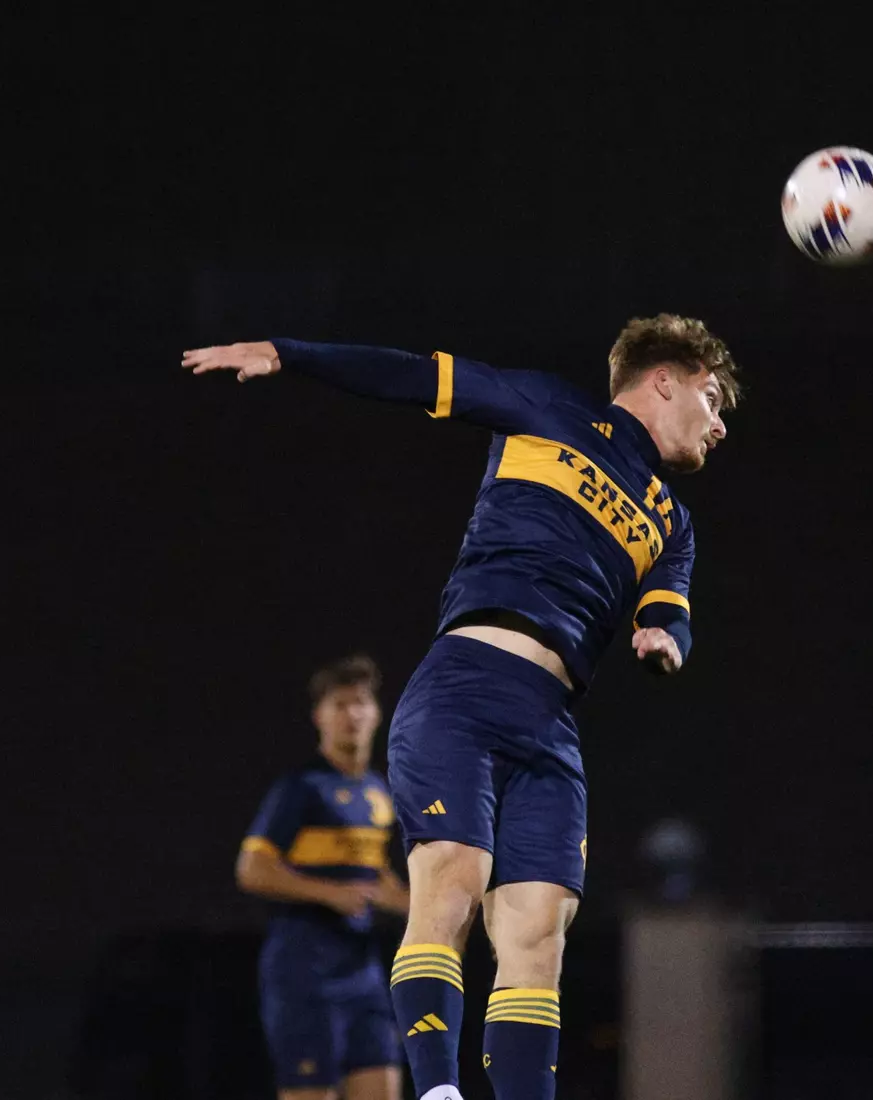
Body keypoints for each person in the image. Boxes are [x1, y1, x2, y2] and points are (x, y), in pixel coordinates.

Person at [187, 314, 740, 1100]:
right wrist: (289, 354)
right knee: (450, 881)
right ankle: (440, 1094)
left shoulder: (672, 520)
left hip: (551, 724)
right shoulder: (546, 408)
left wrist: (665, 639)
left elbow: (670, 608)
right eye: (712, 398)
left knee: (537, 934)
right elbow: (411, 373)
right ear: (666, 377)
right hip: (465, 687)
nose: (719, 425)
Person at [237, 655, 412, 1100]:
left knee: (384, 1087)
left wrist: (429, 910)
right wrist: (330, 894)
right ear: (320, 717)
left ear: (376, 713)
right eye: (339, 704)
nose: (352, 714)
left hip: (364, 971)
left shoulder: (378, 791)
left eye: (360, 703)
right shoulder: (301, 787)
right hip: (304, 971)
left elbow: (375, 876)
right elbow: (252, 869)